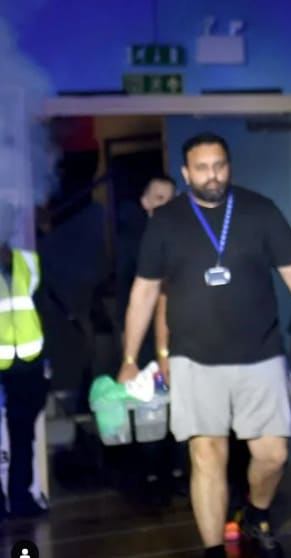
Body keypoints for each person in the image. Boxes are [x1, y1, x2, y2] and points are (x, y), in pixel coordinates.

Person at [117, 132, 291, 558]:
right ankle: (214, 549)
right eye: (202, 168)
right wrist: (130, 359)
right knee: (206, 456)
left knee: (273, 454)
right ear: (186, 173)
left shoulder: (261, 211)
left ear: (229, 165)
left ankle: (255, 512)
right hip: (193, 358)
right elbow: (144, 294)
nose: (212, 175)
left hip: (261, 353)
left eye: (219, 165)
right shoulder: (166, 222)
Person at [114, 174, 182, 504]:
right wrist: (130, 355)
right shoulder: (132, 242)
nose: (164, 204)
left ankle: (175, 475)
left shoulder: (185, 238)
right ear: (145, 202)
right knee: (147, 411)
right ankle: (150, 482)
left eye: (169, 198)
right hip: (141, 345)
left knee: (177, 411)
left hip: (180, 338)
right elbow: (129, 297)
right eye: (157, 198)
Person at [0, 209, 51, 518]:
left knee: (22, 436)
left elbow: (41, 309)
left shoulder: (28, 262)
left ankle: (21, 499)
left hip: (27, 364)